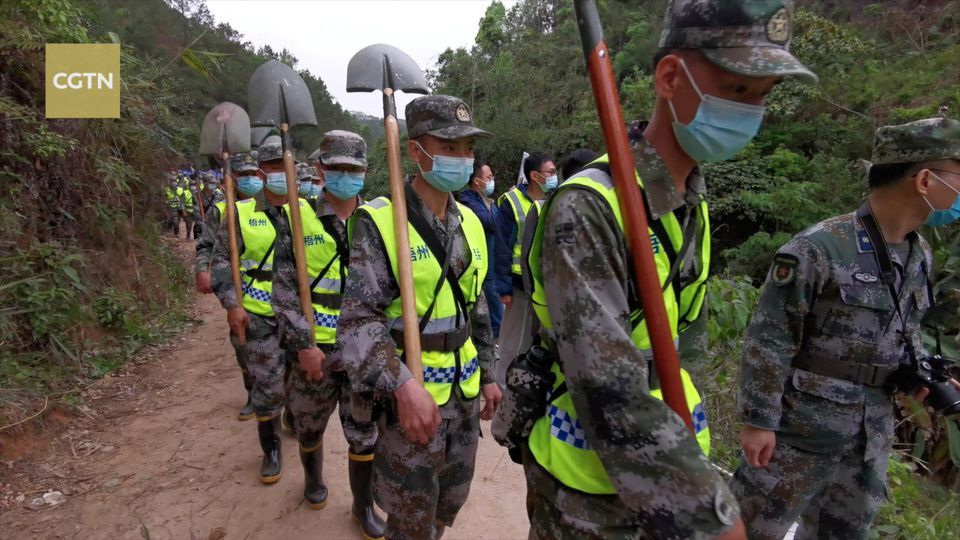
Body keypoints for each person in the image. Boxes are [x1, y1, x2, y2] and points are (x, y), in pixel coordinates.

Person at [511, 1, 819, 537]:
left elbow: (686, 343)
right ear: (671, 77)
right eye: (738, 88)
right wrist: (709, 510)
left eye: (763, 94)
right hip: (589, 496)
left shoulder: (689, 201)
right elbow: (606, 385)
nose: (751, 110)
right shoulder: (590, 207)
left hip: (669, 471)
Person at [731, 117, 960, 539]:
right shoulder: (820, 247)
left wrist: (919, 374)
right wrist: (759, 420)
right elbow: (770, 338)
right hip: (798, 430)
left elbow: (900, 329)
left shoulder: (919, 254)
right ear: (925, 180)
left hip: (869, 435)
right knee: (748, 530)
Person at [339, 95, 502, 540]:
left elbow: (477, 306)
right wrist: (403, 385)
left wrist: (488, 372)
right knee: (409, 520)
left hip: (463, 394)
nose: (463, 159)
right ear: (416, 151)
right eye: (449, 147)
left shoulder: (470, 222)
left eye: (468, 148)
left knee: (445, 508)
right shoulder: (381, 222)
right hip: (411, 401)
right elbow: (358, 323)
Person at [271, 130, 385, 539]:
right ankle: (314, 480)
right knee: (308, 423)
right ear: (321, 169)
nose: (345, 175)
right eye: (337, 167)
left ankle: (362, 506)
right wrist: (304, 346)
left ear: (365, 171)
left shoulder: (376, 220)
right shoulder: (296, 219)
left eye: (353, 168)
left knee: (363, 430)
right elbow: (283, 290)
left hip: (360, 350)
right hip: (315, 351)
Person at [210, 135, 289, 483]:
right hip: (258, 314)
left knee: (296, 384)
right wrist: (231, 305)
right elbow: (221, 261)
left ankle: (295, 424)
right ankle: (270, 449)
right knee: (268, 387)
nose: (280, 173)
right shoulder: (238, 213)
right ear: (262, 171)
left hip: (301, 317)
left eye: (285, 166)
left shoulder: (306, 211)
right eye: (273, 167)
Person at [196, 151, 259, 420]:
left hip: (275, 292)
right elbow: (206, 246)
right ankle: (253, 393)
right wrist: (202, 270)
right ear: (231, 179)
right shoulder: (222, 209)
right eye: (242, 175)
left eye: (253, 174)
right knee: (243, 344)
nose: (249, 179)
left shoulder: (280, 204)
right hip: (237, 291)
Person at [494, 152, 555, 384]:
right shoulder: (510, 203)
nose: (554, 177)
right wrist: (504, 288)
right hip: (518, 284)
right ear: (534, 175)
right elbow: (501, 247)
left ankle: (528, 383)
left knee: (535, 339)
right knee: (511, 339)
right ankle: (502, 385)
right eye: (550, 172)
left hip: (542, 284)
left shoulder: (552, 199)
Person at [457, 160, 504, 338]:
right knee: (490, 298)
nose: (492, 180)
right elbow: (492, 224)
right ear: (477, 181)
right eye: (489, 177)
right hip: (482, 262)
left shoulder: (489, 201)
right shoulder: (468, 201)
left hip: (494, 259)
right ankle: (496, 335)